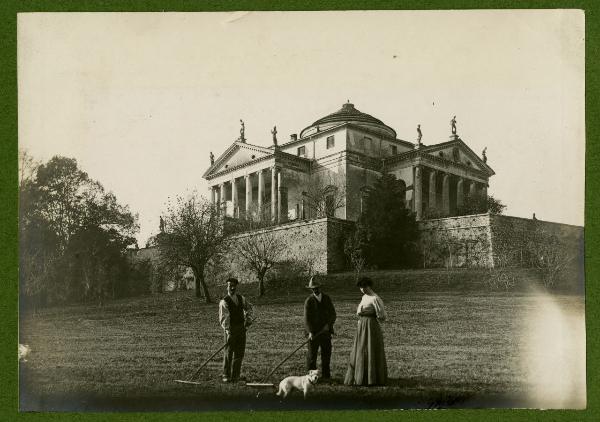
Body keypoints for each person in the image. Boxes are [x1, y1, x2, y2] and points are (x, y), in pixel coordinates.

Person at [344, 277, 387, 386]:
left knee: (369, 349)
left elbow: (382, 316)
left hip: (370, 326)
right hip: (362, 326)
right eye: (360, 287)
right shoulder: (364, 297)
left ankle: (371, 378)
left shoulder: (375, 298)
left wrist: (370, 317)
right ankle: (360, 377)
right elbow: (359, 312)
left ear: (369, 286)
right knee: (361, 349)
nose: (362, 289)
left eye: (364, 287)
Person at [218, 277, 253, 383]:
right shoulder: (224, 301)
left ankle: (235, 376)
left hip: (241, 329)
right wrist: (228, 332)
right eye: (230, 286)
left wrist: (248, 318)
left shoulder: (241, 298)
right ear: (227, 287)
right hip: (231, 330)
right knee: (228, 353)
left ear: (236, 287)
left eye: (234, 286)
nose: (232, 288)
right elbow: (224, 318)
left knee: (239, 353)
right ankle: (226, 375)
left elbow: (249, 308)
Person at [304, 275, 337, 381]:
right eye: (313, 289)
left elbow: (333, 314)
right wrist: (310, 332)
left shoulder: (327, 298)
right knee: (312, 356)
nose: (315, 290)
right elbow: (307, 319)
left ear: (320, 288)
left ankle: (326, 376)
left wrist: (329, 325)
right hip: (313, 333)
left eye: (317, 288)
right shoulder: (309, 301)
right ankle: (311, 377)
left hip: (326, 332)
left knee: (326, 354)